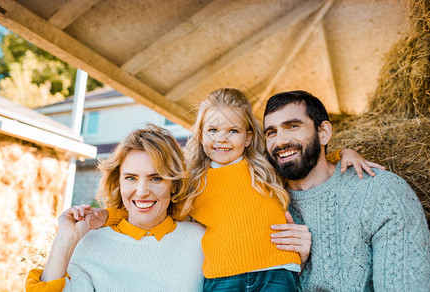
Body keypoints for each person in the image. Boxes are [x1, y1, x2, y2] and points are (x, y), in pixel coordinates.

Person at [99, 88, 380, 291]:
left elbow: (306, 158)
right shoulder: (191, 180)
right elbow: (149, 206)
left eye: (232, 131)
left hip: (277, 272)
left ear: (248, 137)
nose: (221, 139)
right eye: (213, 131)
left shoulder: (266, 167)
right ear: (200, 134)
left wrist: (345, 152)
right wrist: (103, 218)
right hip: (224, 278)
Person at [264, 90, 430, 291]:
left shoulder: (381, 193)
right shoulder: (265, 203)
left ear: (324, 132)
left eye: (292, 126)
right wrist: (295, 270)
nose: (280, 141)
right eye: (271, 132)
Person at [26, 125, 205, 291]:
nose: (142, 192)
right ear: (118, 183)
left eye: (156, 178)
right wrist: (64, 240)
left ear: (174, 185)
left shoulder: (199, 240)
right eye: (131, 178)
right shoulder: (90, 244)